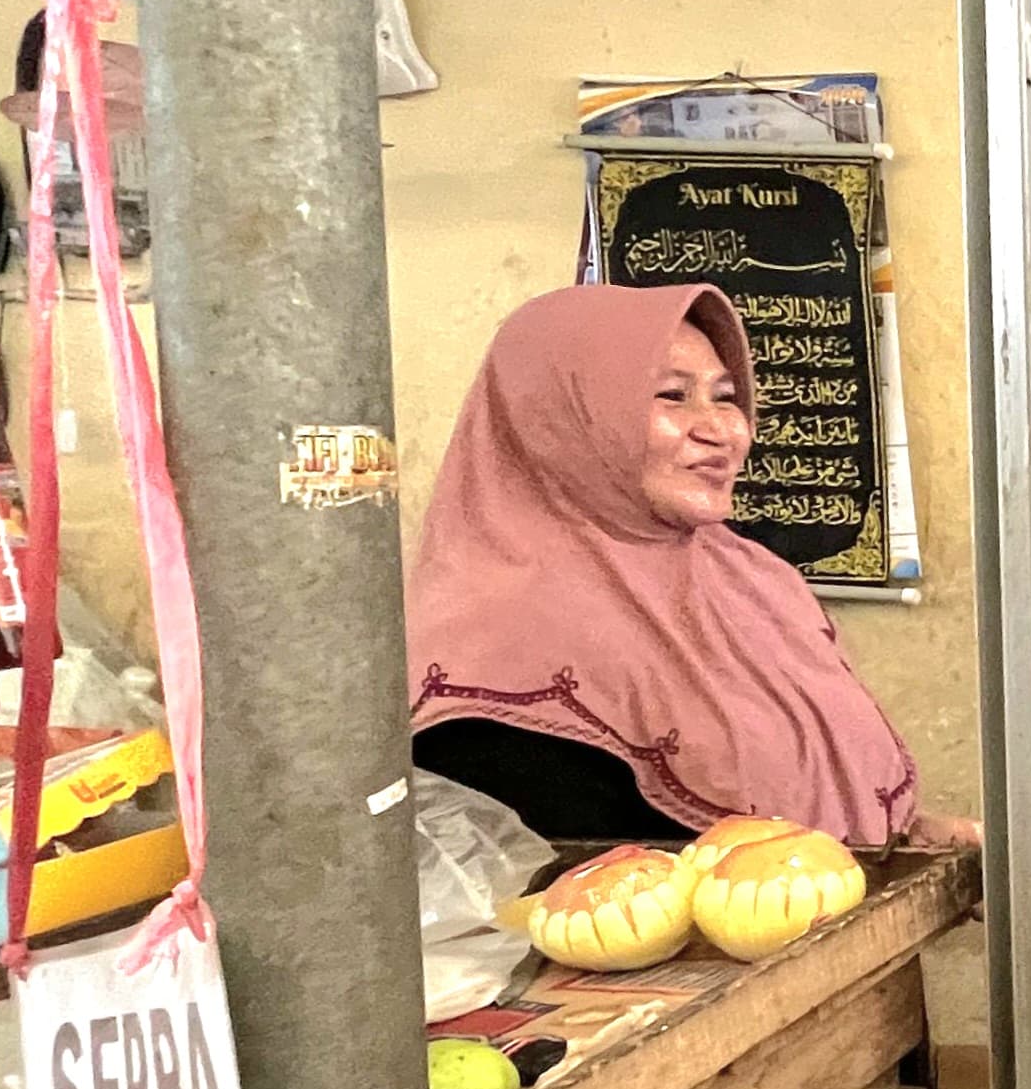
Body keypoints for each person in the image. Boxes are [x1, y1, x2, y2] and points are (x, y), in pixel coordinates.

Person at [408, 283, 973, 851]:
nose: (725, 430)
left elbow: (816, 797)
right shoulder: (493, 641)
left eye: (726, 397)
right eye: (673, 396)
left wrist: (911, 843)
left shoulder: (755, 582)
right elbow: (577, 873)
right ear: (556, 420)